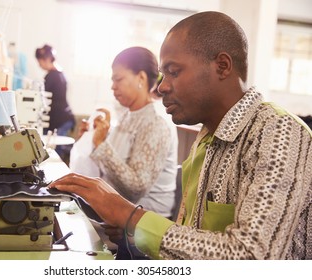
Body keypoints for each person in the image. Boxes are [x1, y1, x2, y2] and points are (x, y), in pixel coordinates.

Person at [49, 11, 312, 260]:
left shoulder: (278, 133)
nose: (162, 87)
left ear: (222, 66)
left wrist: (131, 216)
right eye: (163, 75)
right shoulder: (209, 135)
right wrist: (135, 228)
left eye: (173, 72)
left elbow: (253, 257)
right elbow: (196, 235)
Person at [74, 46, 178, 219]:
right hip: (120, 211)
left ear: (141, 78)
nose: (113, 87)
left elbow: (136, 188)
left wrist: (100, 144)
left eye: (118, 79)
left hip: (144, 224)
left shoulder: (156, 122)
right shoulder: (128, 115)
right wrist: (91, 140)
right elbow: (110, 169)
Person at [35, 44, 75, 161]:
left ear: (47, 59)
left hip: (61, 120)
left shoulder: (52, 76)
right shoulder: (60, 74)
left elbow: (41, 98)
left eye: (40, 61)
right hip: (64, 118)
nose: (39, 65)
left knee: (54, 152)